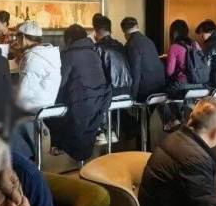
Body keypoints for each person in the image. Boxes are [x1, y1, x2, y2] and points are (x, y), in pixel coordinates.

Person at [49, 24, 111, 161]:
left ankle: (57, 146)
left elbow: (59, 83)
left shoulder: (69, 55)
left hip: (81, 107)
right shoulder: (94, 52)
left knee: (49, 112)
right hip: (99, 105)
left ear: (69, 40)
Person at [164, 19, 206, 129]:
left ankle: (175, 119)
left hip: (183, 85)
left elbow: (169, 71)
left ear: (174, 33)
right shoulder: (195, 44)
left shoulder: (174, 47)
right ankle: (186, 119)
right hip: (199, 85)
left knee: (165, 91)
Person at [13, 20, 61, 113]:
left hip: (32, 109)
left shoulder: (31, 58)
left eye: (17, 37)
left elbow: (22, 96)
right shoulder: (49, 53)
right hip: (47, 105)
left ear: (23, 37)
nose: (16, 41)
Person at [121, 17, 165, 102]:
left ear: (124, 32)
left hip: (146, 92)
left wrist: (132, 97)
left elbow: (135, 72)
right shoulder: (149, 41)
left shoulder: (131, 45)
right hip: (160, 88)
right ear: (137, 26)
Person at [93, 15, 132, 97]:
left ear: (96, 31)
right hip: (127, 91)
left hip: (110, 93)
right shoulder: (120, 45)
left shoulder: (97, 48)